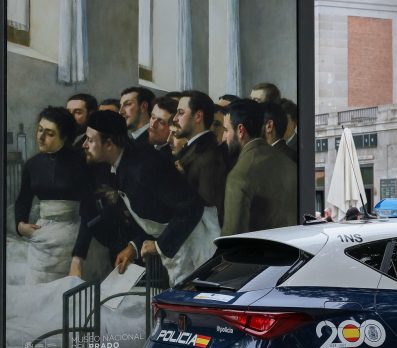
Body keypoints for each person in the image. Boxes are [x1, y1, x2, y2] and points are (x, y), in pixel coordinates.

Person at [81, 110, 211, 285]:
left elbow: (191, 206)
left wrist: (159, 246)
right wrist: (134, 247)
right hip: (178, 247)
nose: (84, 145)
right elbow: (157, 215)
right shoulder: (122, 166)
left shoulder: (144, 168)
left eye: (89, 140)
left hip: (194, 243)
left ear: (109, 143)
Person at [14, 107, 95, 283]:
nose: (41, 137)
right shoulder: (32, 165)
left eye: (49, 133)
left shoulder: (80, 162)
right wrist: (20, 225)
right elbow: (23, 200)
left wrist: (78, 257)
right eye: (40, 130)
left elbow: (90, 210)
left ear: (64, 137)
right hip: (41, 235)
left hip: (72, 237)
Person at [221, 100, 299, 236]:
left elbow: (232, 238)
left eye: (226, 130)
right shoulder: (289, 164)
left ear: (240, 130)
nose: (223, 138)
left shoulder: (240, 174)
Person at [173, 90, 228, 225]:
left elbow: (209, 214)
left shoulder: (209, 156)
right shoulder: (191, 149)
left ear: (198, 116)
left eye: (180, 113)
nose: (174, 119)